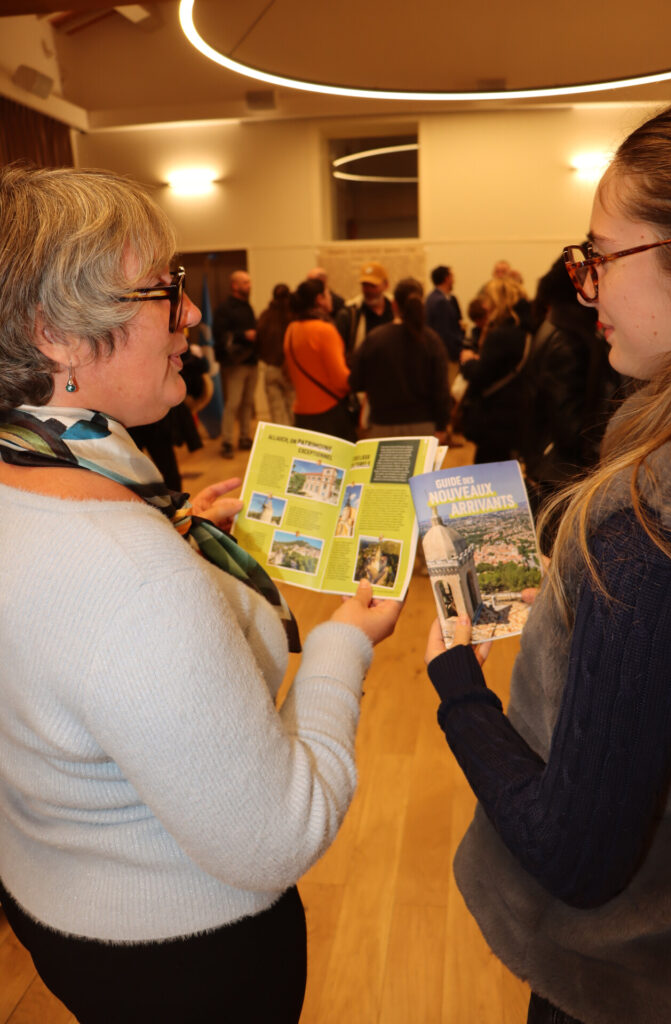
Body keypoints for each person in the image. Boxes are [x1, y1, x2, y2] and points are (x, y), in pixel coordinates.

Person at [0, 164, 402, 1024]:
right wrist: (344, 644)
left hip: (59, 902)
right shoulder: (127, 574)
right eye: (163, 289)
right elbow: (277, 835)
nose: (190, 312)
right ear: (56, 336)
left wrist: (179, 528)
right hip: (183, 956)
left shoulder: (46, 468)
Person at [424, 100, 671, 1024]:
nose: (586, 289)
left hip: (620, 979)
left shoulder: (649, 521)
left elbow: (576, 855)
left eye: (598, 257)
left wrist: (455, 682)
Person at [520, 255, 622, 536]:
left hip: (553, 470)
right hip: (563, 475)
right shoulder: (569, 339)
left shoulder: (558, 328)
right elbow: (570, 424)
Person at [349, 276, 451, 439]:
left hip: (383, 425)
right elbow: (441, 389)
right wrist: (442, 425)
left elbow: (356, 381)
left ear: (394, 304)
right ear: (421, 304)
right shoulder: (432, 340)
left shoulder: (375, 338)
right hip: (424, 427)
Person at [459, 276, 531, 462]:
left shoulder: (500, 335)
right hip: (518, 415)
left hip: (495, 419)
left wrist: (468, 363)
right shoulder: (527, 331)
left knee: (489, 478)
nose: (484, 305)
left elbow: (480, 376)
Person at [284, 278, 356, 442]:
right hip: (329, 415)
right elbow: (340, 380)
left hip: (302, 414)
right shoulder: (324, 330)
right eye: (328, 294)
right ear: (319, 299)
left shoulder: (291, 328)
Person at [213, 269, 258, 458]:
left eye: (249, 282)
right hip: (235, 363)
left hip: (251, 361)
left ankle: (245, 437)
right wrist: (243, 335)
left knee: (248, 402)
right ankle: (227, 441)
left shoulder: (247, 306)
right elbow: (219, 335)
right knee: (233, 403)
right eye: (245, 282)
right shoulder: (224, 309)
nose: (249, 285)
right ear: (235, 285)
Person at [255, 282, 296, 425]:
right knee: (293, 411)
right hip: (290, 370)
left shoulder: (265, 316)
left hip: (271, 368)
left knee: (276, 413)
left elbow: (257, 342)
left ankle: (282, 445)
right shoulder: (294, 317)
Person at [335, 261, 393, 355]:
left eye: (373, 286)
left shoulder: (395, 309)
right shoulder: (350, 313)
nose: (368, 290)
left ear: (386, 285)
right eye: (365, 285)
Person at [424, 264, 465, 369]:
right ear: (447, 278)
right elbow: (445, 332)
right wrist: (458, 352)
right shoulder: (441, 302)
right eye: (452, 277)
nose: (454, 280)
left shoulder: (432, 298)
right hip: (447, 356)